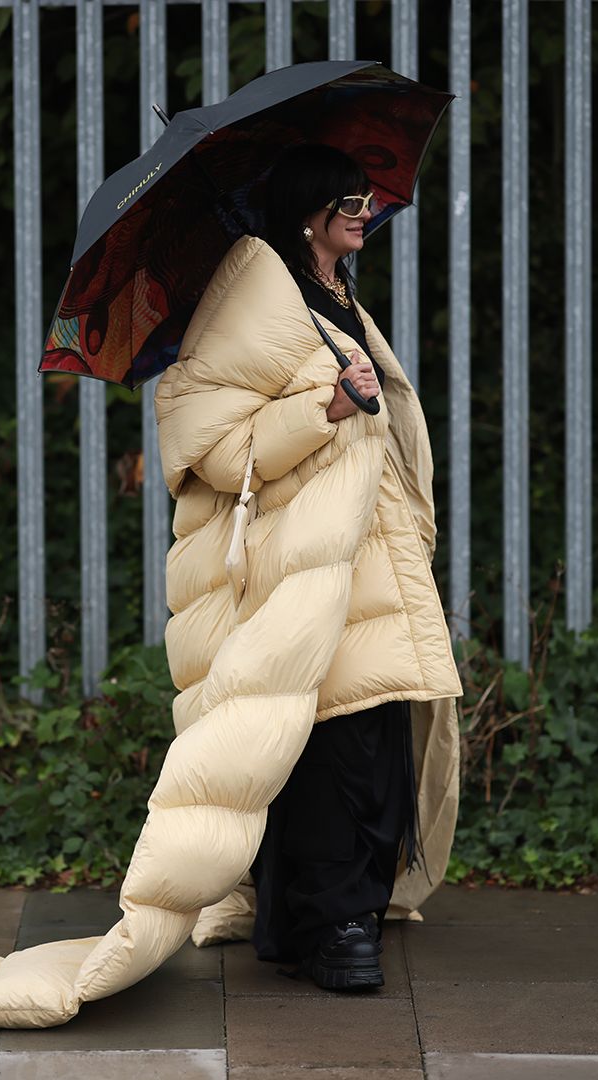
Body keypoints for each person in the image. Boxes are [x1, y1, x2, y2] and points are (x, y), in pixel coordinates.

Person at [154, 143, 462, 994]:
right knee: (332, 742)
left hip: (365, 553)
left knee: (374, 727)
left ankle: (333, 913)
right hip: (302, 565)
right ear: (305, 211)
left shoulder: (333, 297)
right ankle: (333, 925)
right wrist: (323, 406)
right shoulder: (255, 297)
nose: (364, 207)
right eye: (346, 197)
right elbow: (212, 449)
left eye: (365, 194)